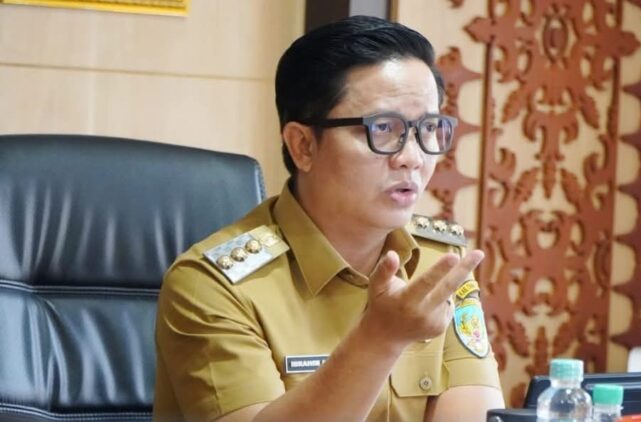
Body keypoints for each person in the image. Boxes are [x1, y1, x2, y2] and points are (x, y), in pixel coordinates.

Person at [153, 15, 504, 422]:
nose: (412, 157)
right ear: (303, 145)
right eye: (383, 128)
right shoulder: (211, 287)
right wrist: (381, 338)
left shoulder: (435, 262)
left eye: (428, 128)